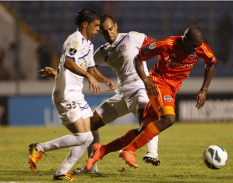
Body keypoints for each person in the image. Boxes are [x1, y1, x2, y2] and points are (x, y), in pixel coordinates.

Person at [40, 15, 161, 174]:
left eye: (111, 29)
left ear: (116, 26)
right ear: (102, 34)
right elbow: (85, 67)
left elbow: (160, 46)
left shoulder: (132, 37)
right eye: (104, 31)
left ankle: (152, 153)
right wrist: (58, 73)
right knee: (91, 125)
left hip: (139, 88)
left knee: (145, 117)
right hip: (122, 94)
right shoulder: (102, 52)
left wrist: (172, 69)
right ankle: (92, 168)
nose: (109, 33)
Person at [89, 26, 217, 169]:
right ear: (185, 39)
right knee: (169, 119)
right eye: (193, 46)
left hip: (172, 89)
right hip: (158, 83)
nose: (196, 49)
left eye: (198, 46)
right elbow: (139, 57)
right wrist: (145, 80)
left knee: (144, 130)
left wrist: (204, 89)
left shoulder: (201, 48)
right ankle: (129, 150)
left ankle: (102, 150)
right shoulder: (166, 44)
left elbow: (211, 64)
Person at [28, 7, 114, 181]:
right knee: (84, 137)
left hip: (76, 94)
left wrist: (105, 80)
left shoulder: (88, 44)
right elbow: (68, 61)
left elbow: (90, 68)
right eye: (96, 25)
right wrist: (88, 75)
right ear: (85, 24)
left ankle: (88, 168)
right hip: (67, 94)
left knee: (92, 132)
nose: (98, 29)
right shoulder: (75, 39)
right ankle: (41, 148)